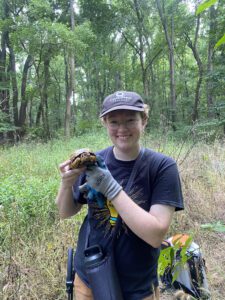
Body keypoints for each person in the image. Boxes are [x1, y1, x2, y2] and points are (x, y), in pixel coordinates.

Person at [56, 91, 184, 300]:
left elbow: (155, 235)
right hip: (90, 275)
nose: (122, 129)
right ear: (104, 123)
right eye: (114, 121)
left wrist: (110, 187)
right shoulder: (93, 161)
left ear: (144, 120)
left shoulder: (161, 166)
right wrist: (66, 184)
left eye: (130, 120)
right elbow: (65, 212)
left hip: (138, 285)